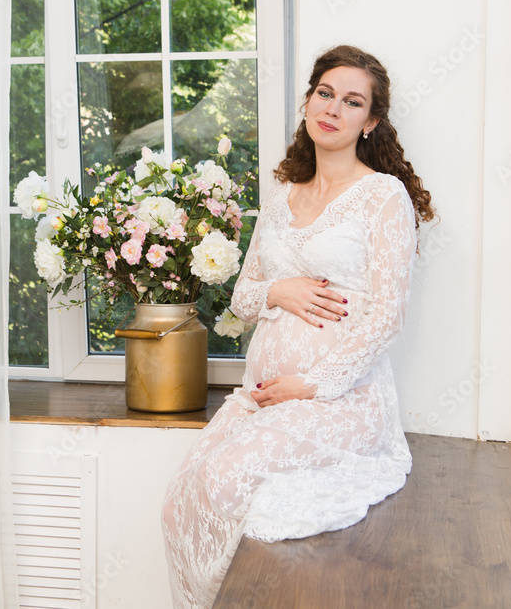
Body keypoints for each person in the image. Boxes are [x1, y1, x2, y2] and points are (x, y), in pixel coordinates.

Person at [160, 44, 437, 608]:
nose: (333, 108)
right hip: (262, 397)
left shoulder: (383, 197)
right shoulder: (281, 196)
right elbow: (242, 297)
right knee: (178, 500)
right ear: (309, 101)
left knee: (225, 479)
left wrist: (312, 384)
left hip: (341, 400)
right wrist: (280, 290)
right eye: (325, 93)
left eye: (352, 101)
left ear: (371, 122)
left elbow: (388, 316)